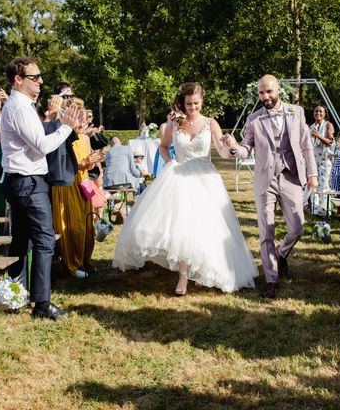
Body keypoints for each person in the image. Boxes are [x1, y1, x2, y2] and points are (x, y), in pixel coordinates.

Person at [113, 82, 258, 295]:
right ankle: (183, 274)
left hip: (204, 177)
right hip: (178, 176)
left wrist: (230, 146)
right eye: (189, 104)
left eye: (196, 103)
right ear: (183, 102)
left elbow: (223, 153)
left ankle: (202, 268)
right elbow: (163, 146)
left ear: (202, 102)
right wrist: (169, 160)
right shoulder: (175, 123)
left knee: (205, 227)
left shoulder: (211, 123)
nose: (192, 108)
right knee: (181, 226)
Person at [1, 57, 81, 320]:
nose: (40, 81)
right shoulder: (21, 108)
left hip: (23, 180)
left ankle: (14, 293)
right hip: (28, 182)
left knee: (21, 241)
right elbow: (43, 146)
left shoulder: (22, 105)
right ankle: (42, 303)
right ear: (18, 79)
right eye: (34, 77)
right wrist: (67, 127)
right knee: (45, 241)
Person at [224, 74, 317, 298]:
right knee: (266, 229)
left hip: (291, 176)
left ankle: (281, 253)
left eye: (269, 92)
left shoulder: (297, 112)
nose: (265, 96)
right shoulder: (254, 119)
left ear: (278, 90)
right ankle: (271, 279)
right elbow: (247, 148)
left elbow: (306, 146)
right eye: (261, 93)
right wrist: (235, 148)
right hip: (265, 179)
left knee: (298, 226)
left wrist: (312, 173)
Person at [50, 97, 102, 278]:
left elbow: (87, 164)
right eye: (77, 118)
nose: (81, 122)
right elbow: (61, 164)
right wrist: (83, 163)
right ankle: (71, 265)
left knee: (87, 225)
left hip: (83, 185)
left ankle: (85, 260)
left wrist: (93, 162)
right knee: (72, 227)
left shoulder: (85, 139)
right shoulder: (61, 136)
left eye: (83, 118)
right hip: (67, 186)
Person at [307, 105, 334, 216]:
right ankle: (315, 209)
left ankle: (325, 210)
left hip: (324, 158)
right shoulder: (311, 126)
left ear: (325, 114)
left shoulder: (328, 125)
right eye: (316, 111)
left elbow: (330, 142)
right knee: (314, 184)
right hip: (313, 159)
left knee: (324, 184)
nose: (318, 113)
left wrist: (318, 135)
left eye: (320, 111)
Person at [152, 106, 176, 176]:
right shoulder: (163, 125)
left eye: (173, 114)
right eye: (170, 114)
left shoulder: (177, 125)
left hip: (175, 150)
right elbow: (163, 140)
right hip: (166, 150)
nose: (171, 116)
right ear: (167, 115)